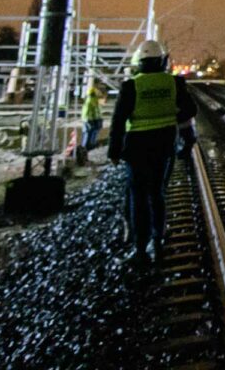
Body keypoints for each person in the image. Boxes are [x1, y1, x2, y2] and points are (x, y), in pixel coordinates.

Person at [108, 39, 196, 266]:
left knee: (138, 196)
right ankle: (158, 238)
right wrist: (171, 120)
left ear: (140, 61)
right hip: (164, 144)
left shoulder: (131, 86)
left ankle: (140, 247)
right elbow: (190, 110)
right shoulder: (174, 83)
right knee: (157, 193)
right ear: (161, 61)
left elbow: (118, 121)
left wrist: (114, 151)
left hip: (137, 147)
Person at [81, 86, 103, 153]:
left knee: (88, 133)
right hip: (91, 119)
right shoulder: (92, 100)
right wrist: (96, 119)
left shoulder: (92, 100)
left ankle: (86, 147)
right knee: (89, 133)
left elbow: (95, 111)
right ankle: (86, 148)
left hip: (91, 119)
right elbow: (92, 111)